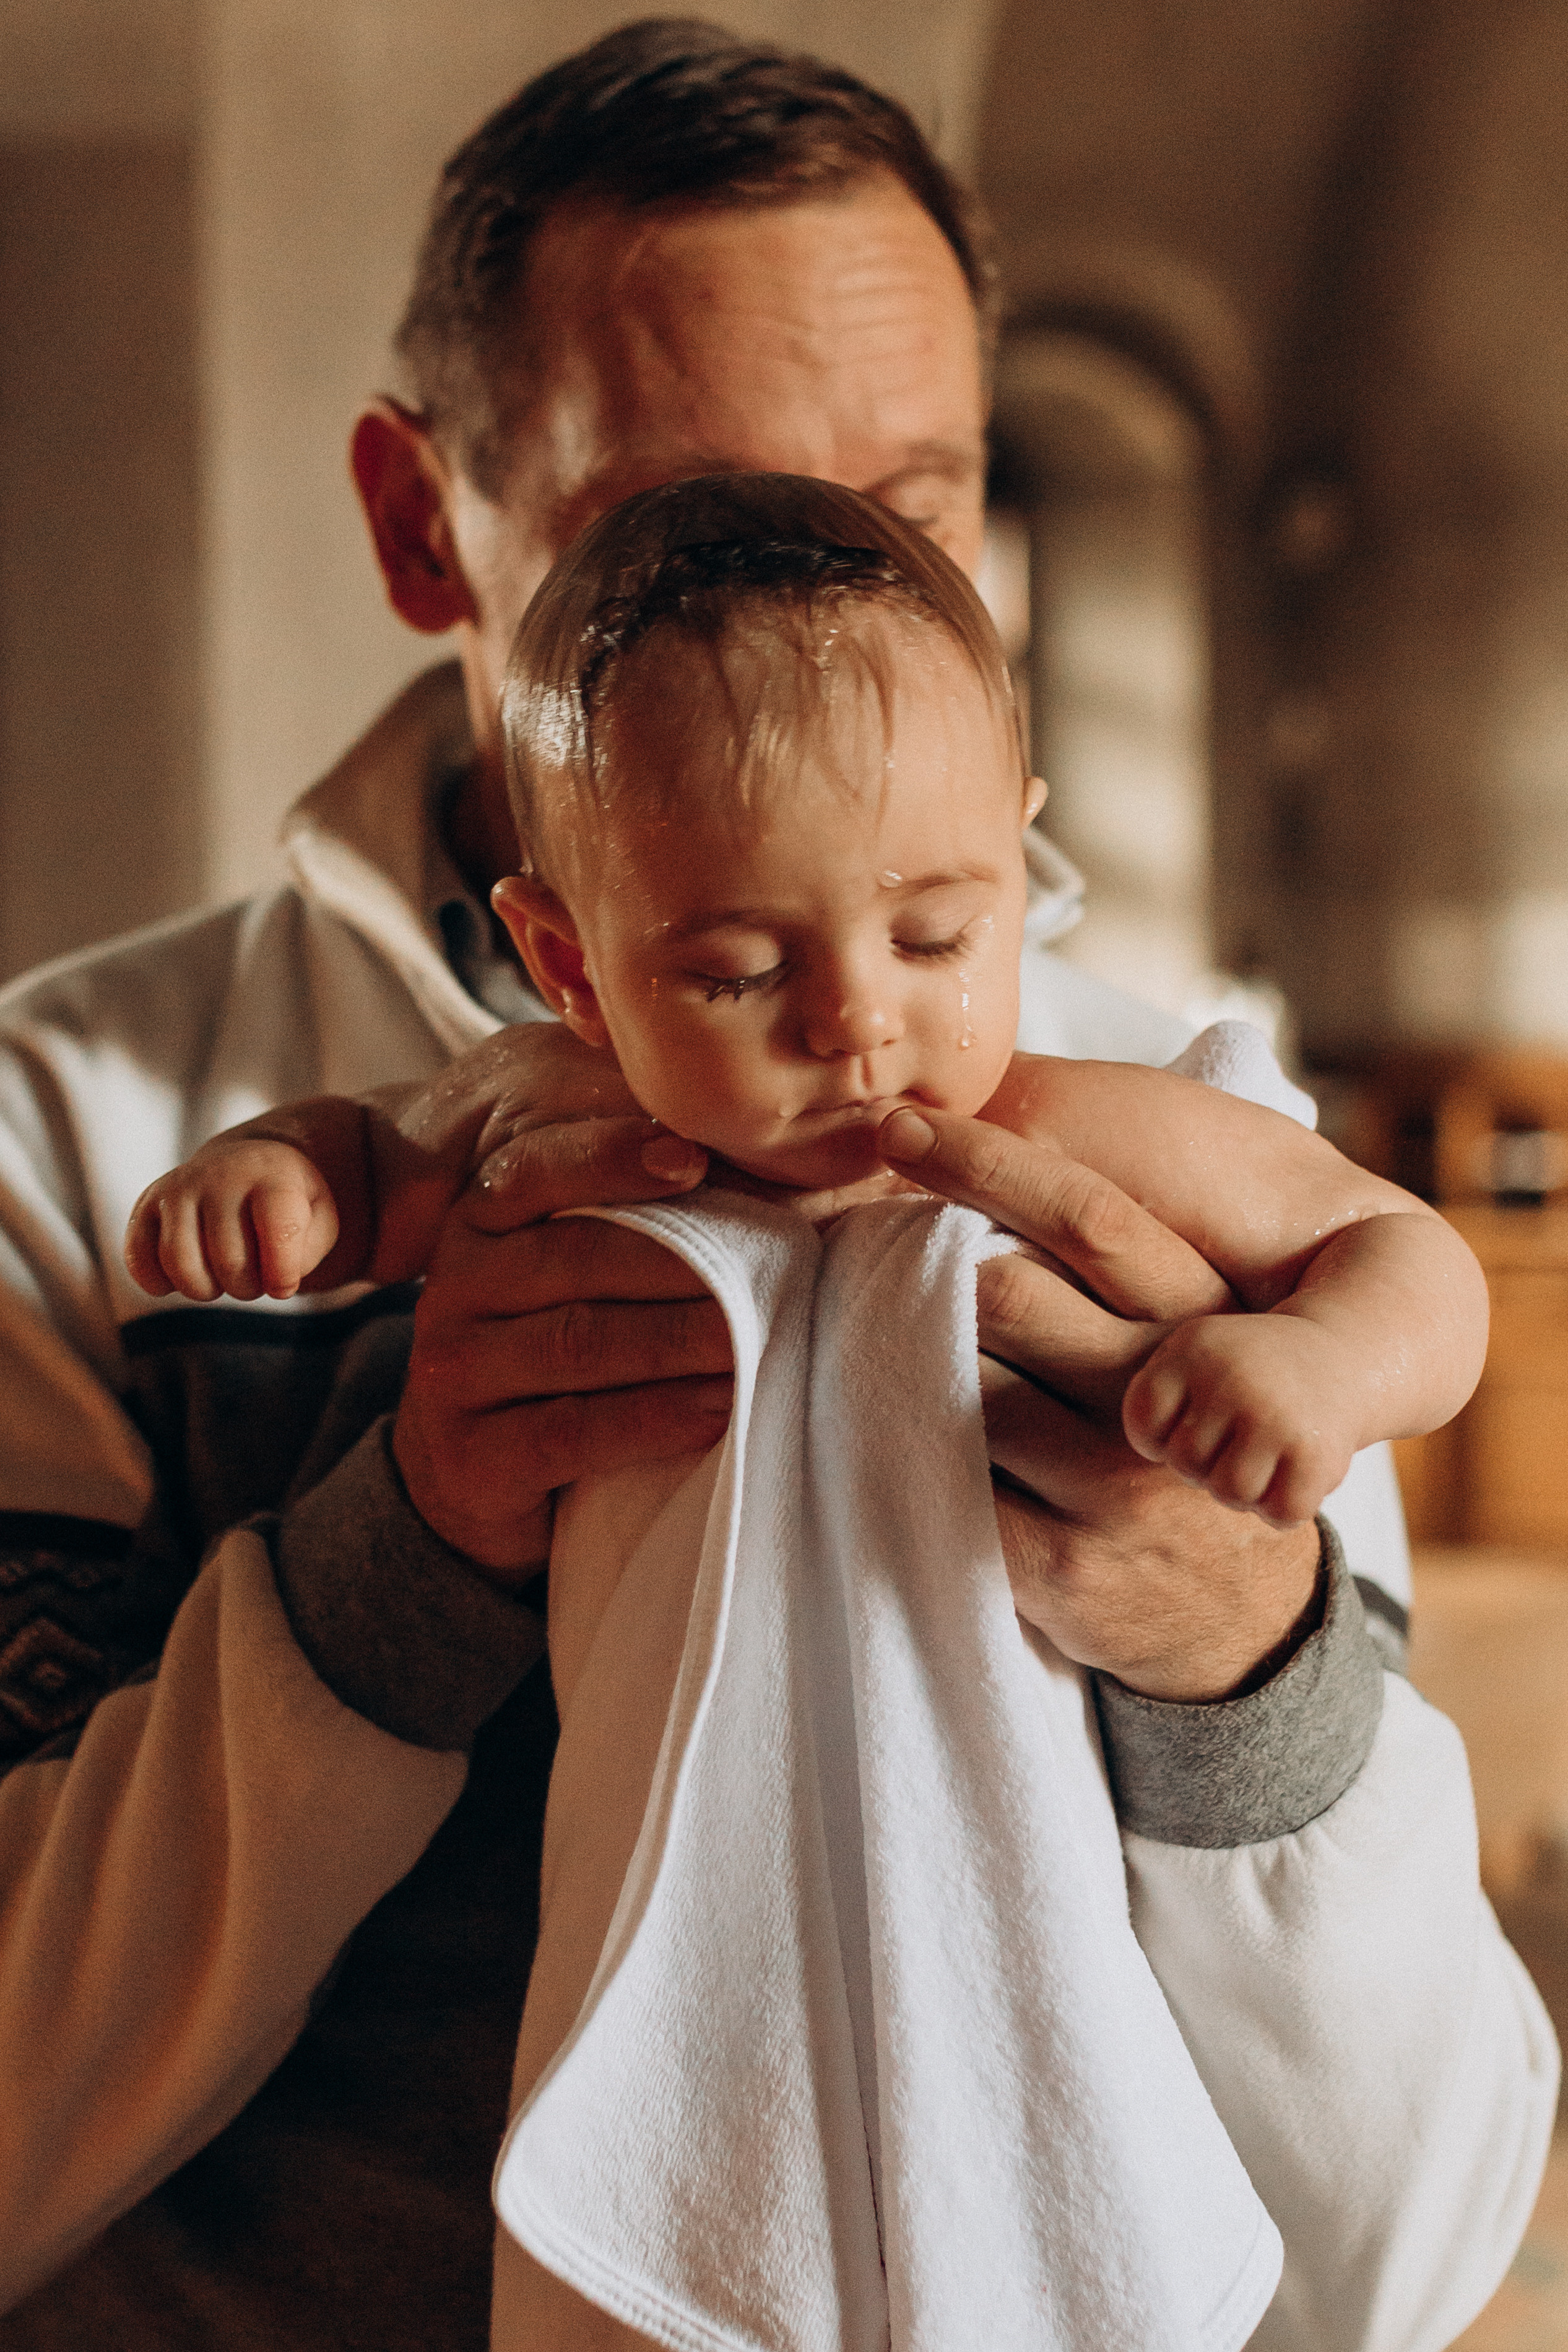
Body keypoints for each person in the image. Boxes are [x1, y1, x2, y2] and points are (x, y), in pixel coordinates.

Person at [0, 20, 1553, 2351]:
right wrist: (382, 1581)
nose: (828, 596)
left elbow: (1392, 2261)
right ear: (428, 523)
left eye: (916, 506)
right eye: (685, 524)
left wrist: (1233, 1665)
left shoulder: (1154, 1142)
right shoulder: (89, 1131)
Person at [129, 475, 1489, 1560]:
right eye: (736, 971)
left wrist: (1323, 1363)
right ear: (572, 969)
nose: (853, 1019)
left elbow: (1398, 1248)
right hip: (641, 1849)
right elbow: (372, 1165)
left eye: (934, 935)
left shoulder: (1075, 1127)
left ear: (1018, 871)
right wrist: (270, 1181)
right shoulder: (557, 1112)